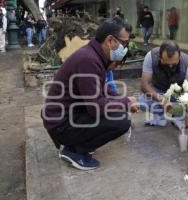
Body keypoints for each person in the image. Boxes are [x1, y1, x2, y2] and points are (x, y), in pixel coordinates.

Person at [41, 18, 139, 170]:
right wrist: (125, 102)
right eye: (124, 43)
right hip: (61, 124)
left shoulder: (94, 55)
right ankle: (74, 150)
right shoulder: (89, 60)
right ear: (110, 40)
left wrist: (122, 100)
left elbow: (102, 88)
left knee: (116, 112)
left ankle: (79, 143)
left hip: (66, 115)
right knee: (121, 122)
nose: (125, 48)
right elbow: (96, 107)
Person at [139, 41, 188, 128]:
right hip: (158, 91)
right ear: (159, 57)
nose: (170, 67)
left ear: (179, 57)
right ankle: (160, 116)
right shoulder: (150, 56)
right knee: (143, 102)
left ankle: (178, 118)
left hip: (178, 95)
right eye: (166, 63)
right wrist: (162, 101)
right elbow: (144, 85)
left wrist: (187, 113)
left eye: (174, 64)